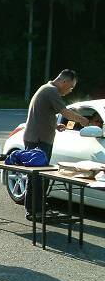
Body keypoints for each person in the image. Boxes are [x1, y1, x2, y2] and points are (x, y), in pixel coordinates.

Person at [23, 69, 89, 221]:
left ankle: (36, 208)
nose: (70, 90)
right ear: (64, 81)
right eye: (71, 87)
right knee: (38, 176)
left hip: (37, 138)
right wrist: (82, 120)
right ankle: (36, 211)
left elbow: (41, 114)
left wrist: (54, 125)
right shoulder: (51, 90)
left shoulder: (46, 89)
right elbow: (65, 112)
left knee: (37, 176)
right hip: (38, 140)